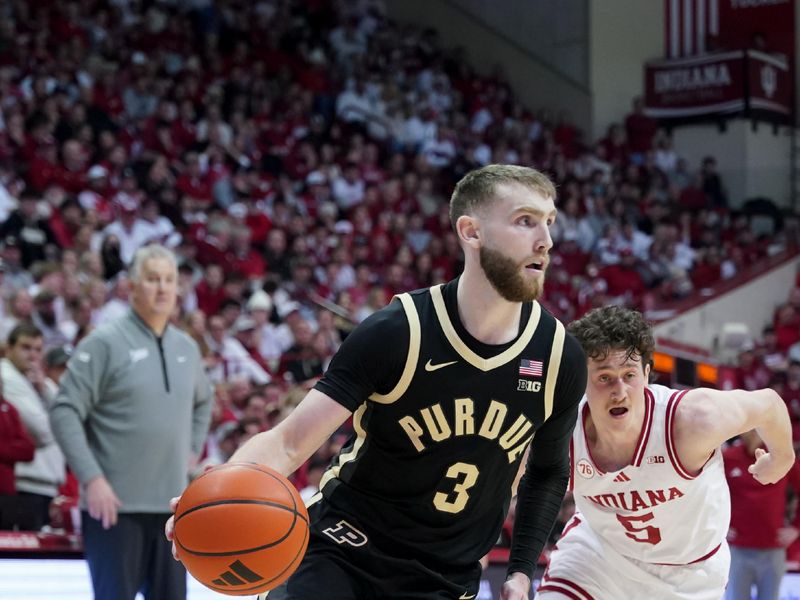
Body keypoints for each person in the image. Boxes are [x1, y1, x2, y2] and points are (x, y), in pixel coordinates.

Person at [166, 164, 588, 600]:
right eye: (525, 221)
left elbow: (548, 470)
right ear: (471, 232)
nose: (546, 240)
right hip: (342, 552)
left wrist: (521, 568)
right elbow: (290, 442)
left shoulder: (560, 357)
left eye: (549, 222)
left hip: (444, 578)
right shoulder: (398, 331)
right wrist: (215, 493)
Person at [536, 306, 795, 600]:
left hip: (689, 575)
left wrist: (782, 458)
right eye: (605, 377)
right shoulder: (560, 431)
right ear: (581, 379)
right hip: (599, 555)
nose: (619, 391)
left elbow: (768, 404)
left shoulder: (693, 419)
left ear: (647, 374)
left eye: (629, 374)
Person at [50, 244, 213, 600]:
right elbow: (64, 410)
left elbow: (205, 400)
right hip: (114, 509)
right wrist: (91, 480)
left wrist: (190, 450)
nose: (162, 288)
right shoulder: (105, 342)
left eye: (169, 280)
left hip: (173, 508)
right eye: (152, 279)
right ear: (132, 286)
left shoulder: (186, 347)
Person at [1, 322, 66, 530]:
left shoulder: (36, 380)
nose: (32, 355)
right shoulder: (5, 376)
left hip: (46, 484)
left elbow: (69, 417)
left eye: (38, 349)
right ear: (8, 348)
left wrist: (43, 388)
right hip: (25, 485)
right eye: (25, 347)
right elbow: (43, 432)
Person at [724, 429, 800, 600]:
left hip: (773, 548)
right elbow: (709, 494)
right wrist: (719, 527)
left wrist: (796, 527)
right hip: (737, 548)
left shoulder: (780, 458)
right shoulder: (728, 457)